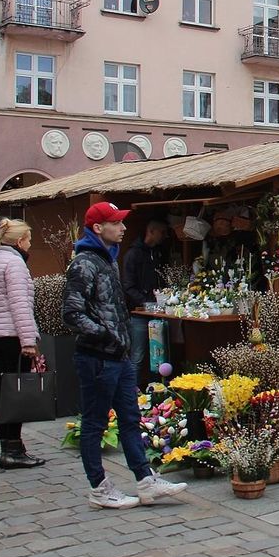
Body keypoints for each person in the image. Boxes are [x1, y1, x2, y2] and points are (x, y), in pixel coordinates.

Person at [64, 202, 187, 509]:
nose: (122, 228)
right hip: (97, 357)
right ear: (98, 228)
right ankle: (99, 487)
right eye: (115, 223)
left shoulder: (107, 259)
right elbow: (72, 312)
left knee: (131, 420)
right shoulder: (85, 263)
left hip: (117, 356)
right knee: (95, 424)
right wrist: (105, 334)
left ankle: (145, 482)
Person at [0, 218, 45, 470]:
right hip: (13, 337)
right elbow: (20, 305)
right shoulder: (15, 263)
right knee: (14, 394)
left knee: (3, 391)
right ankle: (13, 450)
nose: (30, 244)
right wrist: (28, 341)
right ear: (19, 241)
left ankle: (9, 448)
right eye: (29, 239)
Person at [122, 219, 168, 379]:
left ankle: (158, 393)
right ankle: (130, 396)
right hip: (139, 314)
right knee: (137, 356)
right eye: (162, 232)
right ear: (151, 231)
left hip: (157, 313)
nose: (164, 236)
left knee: (159, 355)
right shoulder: (133, 254)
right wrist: (146, 303)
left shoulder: (157, 253)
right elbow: (128, 286)